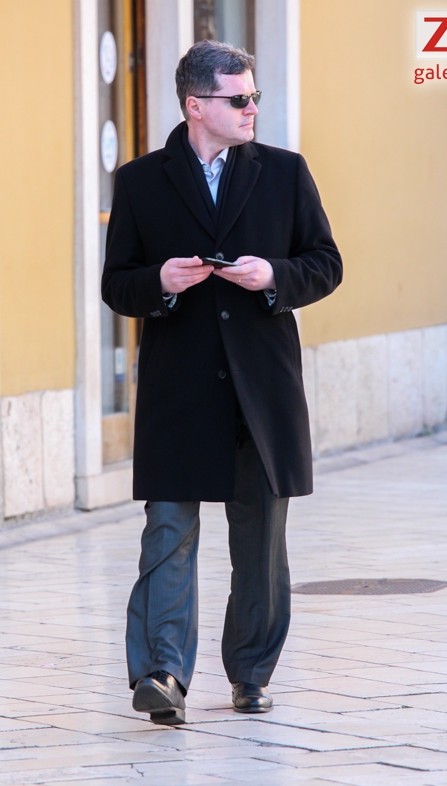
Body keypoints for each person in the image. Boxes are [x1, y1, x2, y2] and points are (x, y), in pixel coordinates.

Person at [101, 40, 342, 726]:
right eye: (238, 99)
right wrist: (159, 282)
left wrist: (273, 277)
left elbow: (325, 263)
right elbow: (117, 284)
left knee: (259, 540)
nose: (251, 109)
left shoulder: (285, 173)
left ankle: (251, 671)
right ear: (195, 106)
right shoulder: (140, 181)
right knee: (167, 533)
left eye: (254, 96)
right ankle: (163, 673)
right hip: (178, 389)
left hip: (261, 388)